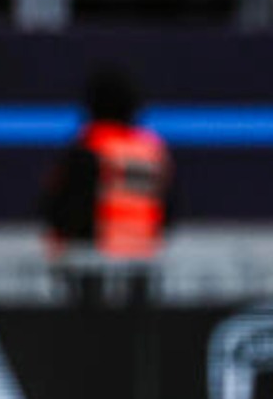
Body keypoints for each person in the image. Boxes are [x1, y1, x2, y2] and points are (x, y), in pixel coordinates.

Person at [41, 66, 175, 303]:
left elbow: (67, 209)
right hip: (140, 267)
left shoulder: (88, 148)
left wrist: (60, 244)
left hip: (91, 268)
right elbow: (169, 210)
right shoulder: (152, 151)